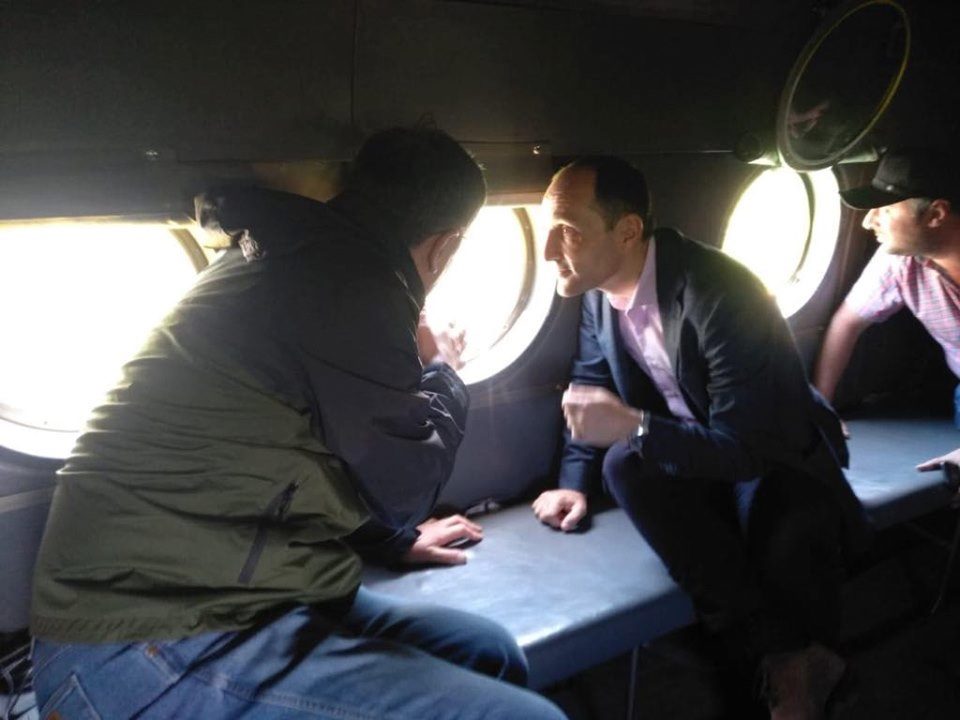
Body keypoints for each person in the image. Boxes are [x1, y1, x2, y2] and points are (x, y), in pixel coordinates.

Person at [29, 127, 566, 720]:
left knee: (488, 653)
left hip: (238, 594)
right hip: (140, 639)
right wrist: (444, 372)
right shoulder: (350, 285)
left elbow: (313, 460)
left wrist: (395, 542)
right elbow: (404, 490)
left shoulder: (294, 255)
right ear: (444, 248)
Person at [530, 156, 870, 719]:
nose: (547, 251)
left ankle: (782, 666)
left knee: (786, 540)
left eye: (567, 231)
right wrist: (573, 483)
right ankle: (792, 658)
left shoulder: (719, 292)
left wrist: (636, 425)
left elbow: (748, 450)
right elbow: (590, 386)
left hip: (773, 456)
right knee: (621, 465)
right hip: (698, 451)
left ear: (628, 231)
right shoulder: (598, 294)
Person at [813, 148, 960, 485]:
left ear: (936, 214)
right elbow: (846, 323)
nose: (868, 221)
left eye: (887, 209)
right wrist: (821, 406)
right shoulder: (900, 261)